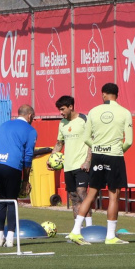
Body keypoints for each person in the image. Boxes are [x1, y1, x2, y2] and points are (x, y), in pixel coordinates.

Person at [68, 83, 133, 245]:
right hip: (114, 156)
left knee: (91, 194)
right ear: (117, 95)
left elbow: (86, 138)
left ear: (103, 94)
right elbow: (129, 141)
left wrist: (97, 147)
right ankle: (110, 236)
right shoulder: (125, 112)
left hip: (97, 155)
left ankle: (76, 231)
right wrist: (118, 150)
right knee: (113, 196)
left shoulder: (93, 111)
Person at [0, 105, 37, 247]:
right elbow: (28, 157)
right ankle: (10, 238)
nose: (33, 119)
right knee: (11, 201)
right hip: (11, 165)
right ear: (29, 116)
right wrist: (25, 181)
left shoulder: (4, 124)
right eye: (33, 117)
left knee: (1, 199)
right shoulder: (30, 130)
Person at [50, 95, 92, 227]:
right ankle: (77, 229)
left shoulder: (84, 120)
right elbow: (59, 143)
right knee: (74, 197)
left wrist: (88, 161)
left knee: (82, 193)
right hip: (67, 166)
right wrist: (51, 159)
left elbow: (92, 142)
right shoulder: (62, 123)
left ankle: (90, 227)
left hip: (81, 165)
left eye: (62, 109)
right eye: (59, 110)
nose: (60, 112)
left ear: (71, 107)